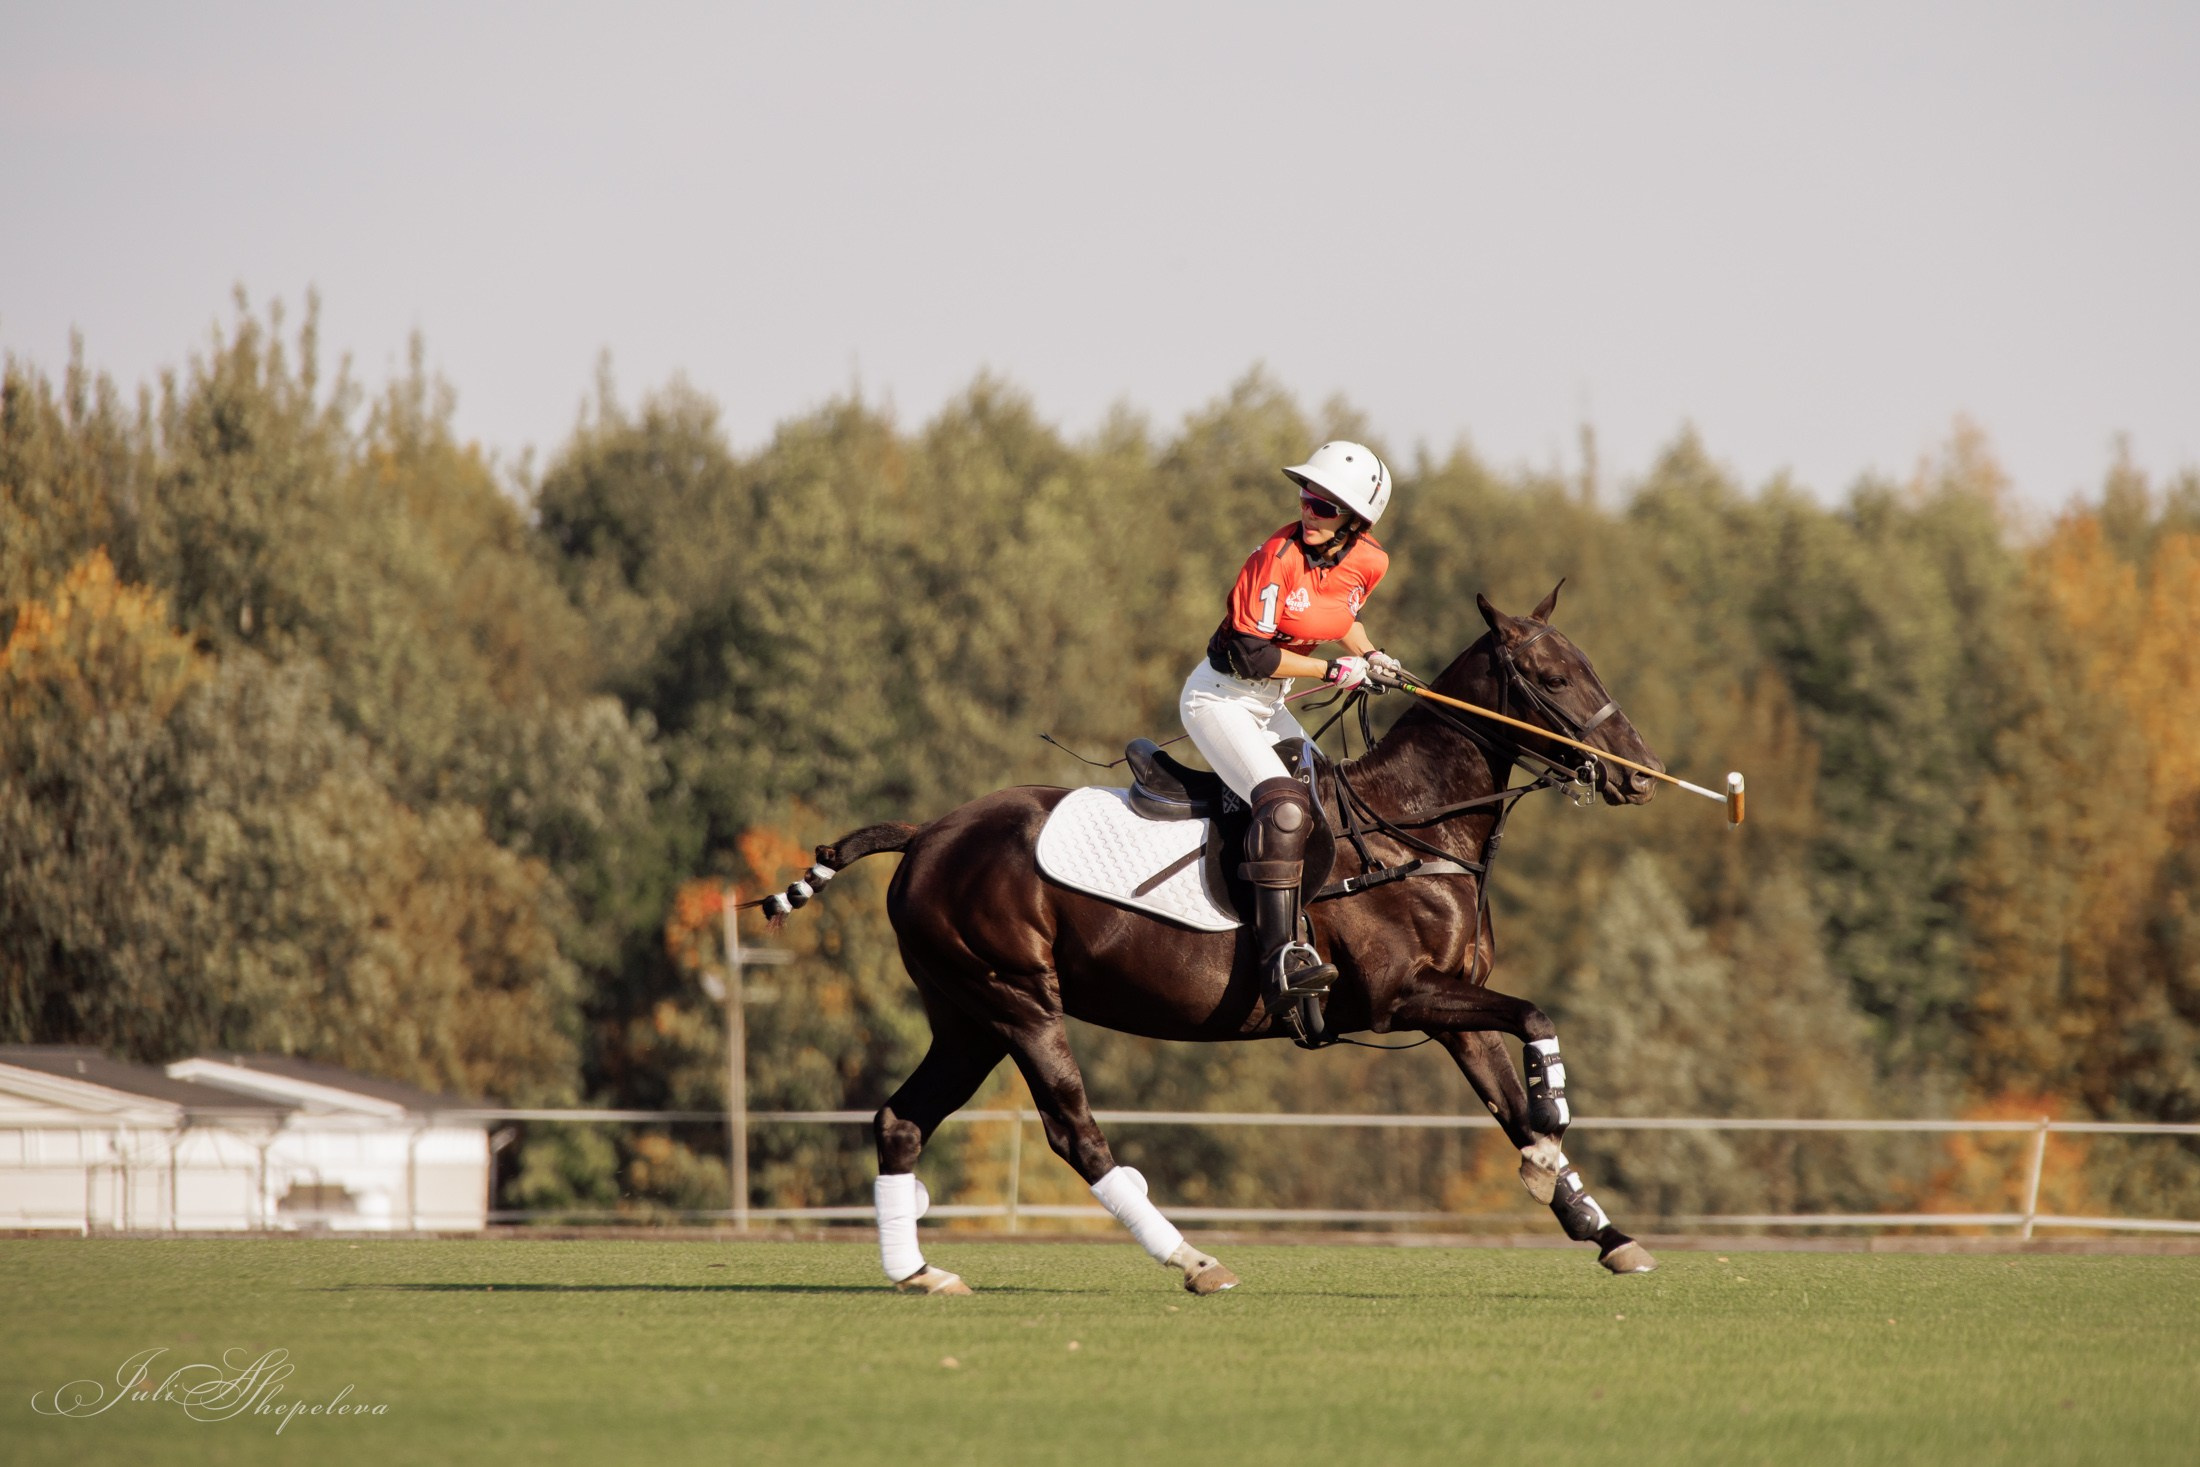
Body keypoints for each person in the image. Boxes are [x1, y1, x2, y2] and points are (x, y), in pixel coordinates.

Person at [1180, 441, 1404, 1012]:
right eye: (1308, 497)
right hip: (1222, 698)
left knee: (1328, 795)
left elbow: (1339, 613)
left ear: (1355, 523)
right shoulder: (1273, 559)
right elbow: (1252, 658)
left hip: (1269, 705)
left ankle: (1325, 926)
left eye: (1325, 507)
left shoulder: (1369, 561)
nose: (1309, 511)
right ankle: (1279, 956)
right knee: (1284, 807)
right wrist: (1334, 669)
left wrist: (1372, 654)